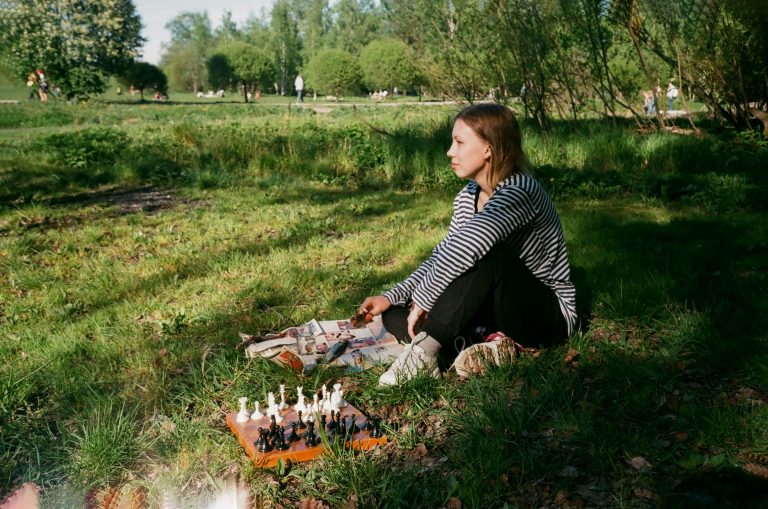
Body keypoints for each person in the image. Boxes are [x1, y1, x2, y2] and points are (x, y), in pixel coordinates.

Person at [358, 103, 577, 386]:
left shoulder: (521, 190)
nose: (450, 151)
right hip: (493, 307)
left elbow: (469, 249)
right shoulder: (467, 197)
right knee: (395, 314)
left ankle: (424, 355)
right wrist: (393, 296)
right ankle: (486, 344)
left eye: (459, 142)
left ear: (488, 149)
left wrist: (425, 300)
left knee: (487, 253)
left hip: (544, 315)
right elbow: (444, 255)